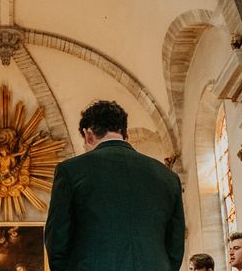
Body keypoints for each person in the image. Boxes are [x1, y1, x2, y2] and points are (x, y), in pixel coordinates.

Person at [44, 100, 185, 271]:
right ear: (126, 134)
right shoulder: (168, 177)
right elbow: (175, 247)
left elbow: (57, 242)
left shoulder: (70, 171)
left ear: (88, 134)